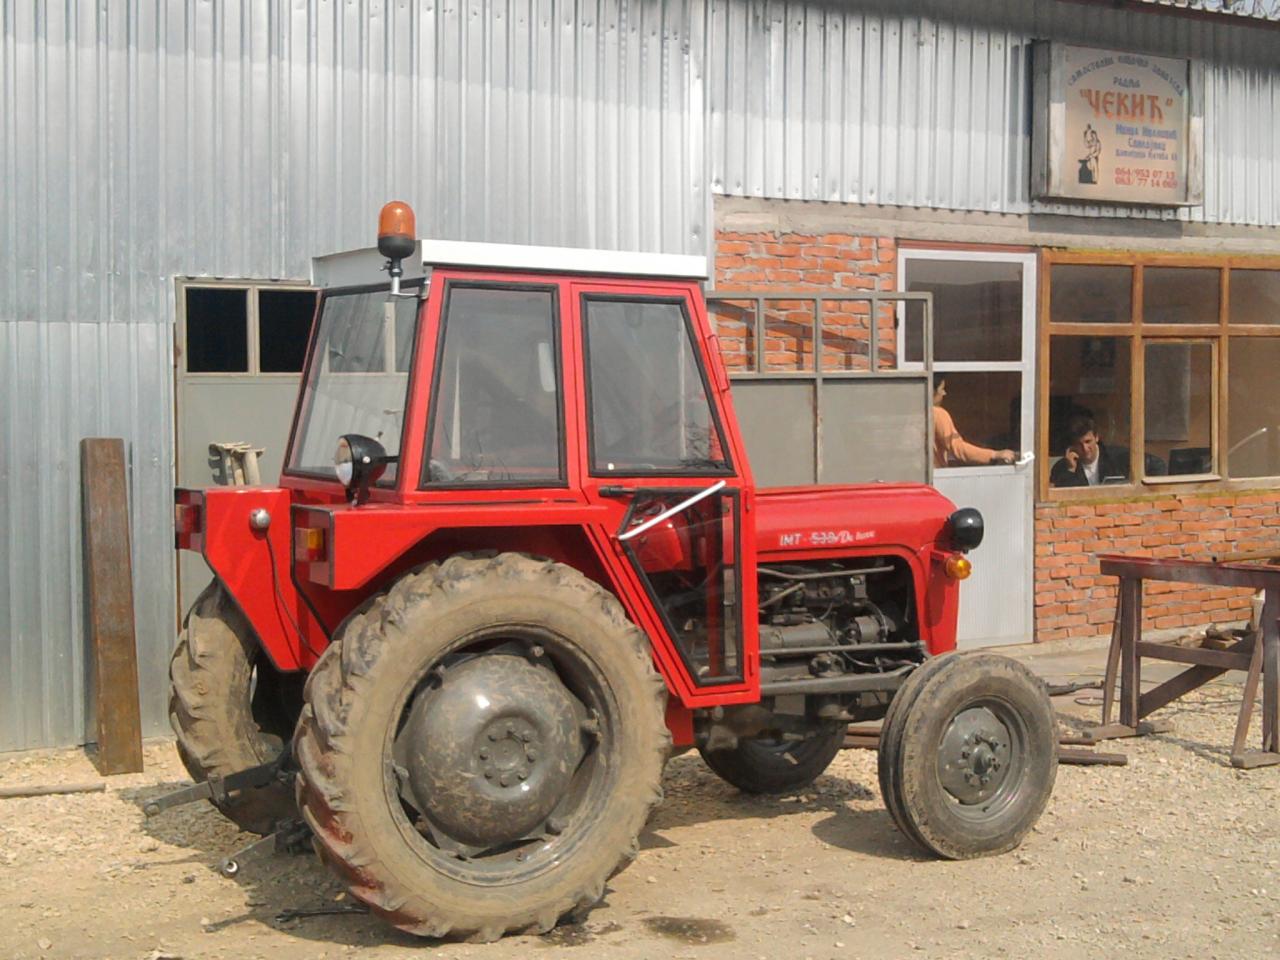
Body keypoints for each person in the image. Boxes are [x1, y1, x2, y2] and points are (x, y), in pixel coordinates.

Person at [932, 379, 1015, 468]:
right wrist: (994, 454)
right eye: (941, 389)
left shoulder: (918, 412)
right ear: (931, 390)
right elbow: (957, 448)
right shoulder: (937, 414)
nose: (944, 393)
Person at [1049, 413, 1129, 487]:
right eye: (1079, 444)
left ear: (1096, 437)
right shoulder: (1061, 467)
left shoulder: (1119, 458)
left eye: (1088, 442)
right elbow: (1063, 497)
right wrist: (1071, 470)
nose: (1085, 448)